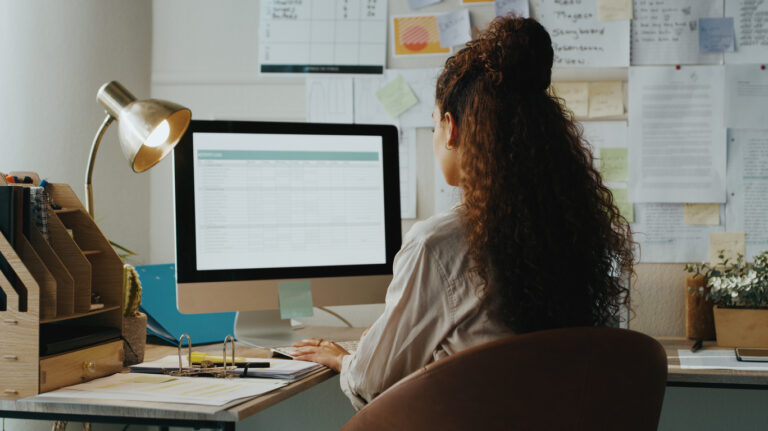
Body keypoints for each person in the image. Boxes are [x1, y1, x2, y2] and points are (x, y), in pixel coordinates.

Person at [292, 16, 634, 410]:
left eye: (434, 123)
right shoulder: (576, 231)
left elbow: (372, 382)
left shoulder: (438, 243)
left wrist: (345, 359)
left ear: (451, 129)